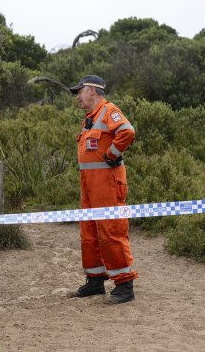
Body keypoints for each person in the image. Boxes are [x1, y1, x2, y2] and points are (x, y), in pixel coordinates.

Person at [69, 75, 138, 304]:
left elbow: (127, 132)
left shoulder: (109, 111)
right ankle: (95, 281)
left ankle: (124, 285)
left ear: (91, 91)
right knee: (89, 233)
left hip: (108, 184)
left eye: (79, 91)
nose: (78, 96)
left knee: (111, 232)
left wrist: (112, 154)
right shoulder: (90, 118)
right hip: (89, 186)